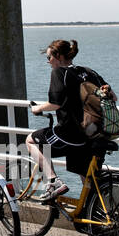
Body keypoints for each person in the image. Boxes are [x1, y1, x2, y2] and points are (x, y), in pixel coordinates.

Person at [26, 38, 92, 203]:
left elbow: (55, 104)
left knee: (31, 141)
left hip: (71, 133)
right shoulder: (87, 71)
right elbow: (112, 95)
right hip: (91, 134)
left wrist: (38, 108)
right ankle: (92, 211)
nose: (48, 62)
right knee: (85, 173)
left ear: (59, 56)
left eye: (49, 58)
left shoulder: (59, 72)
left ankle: (54, 181)